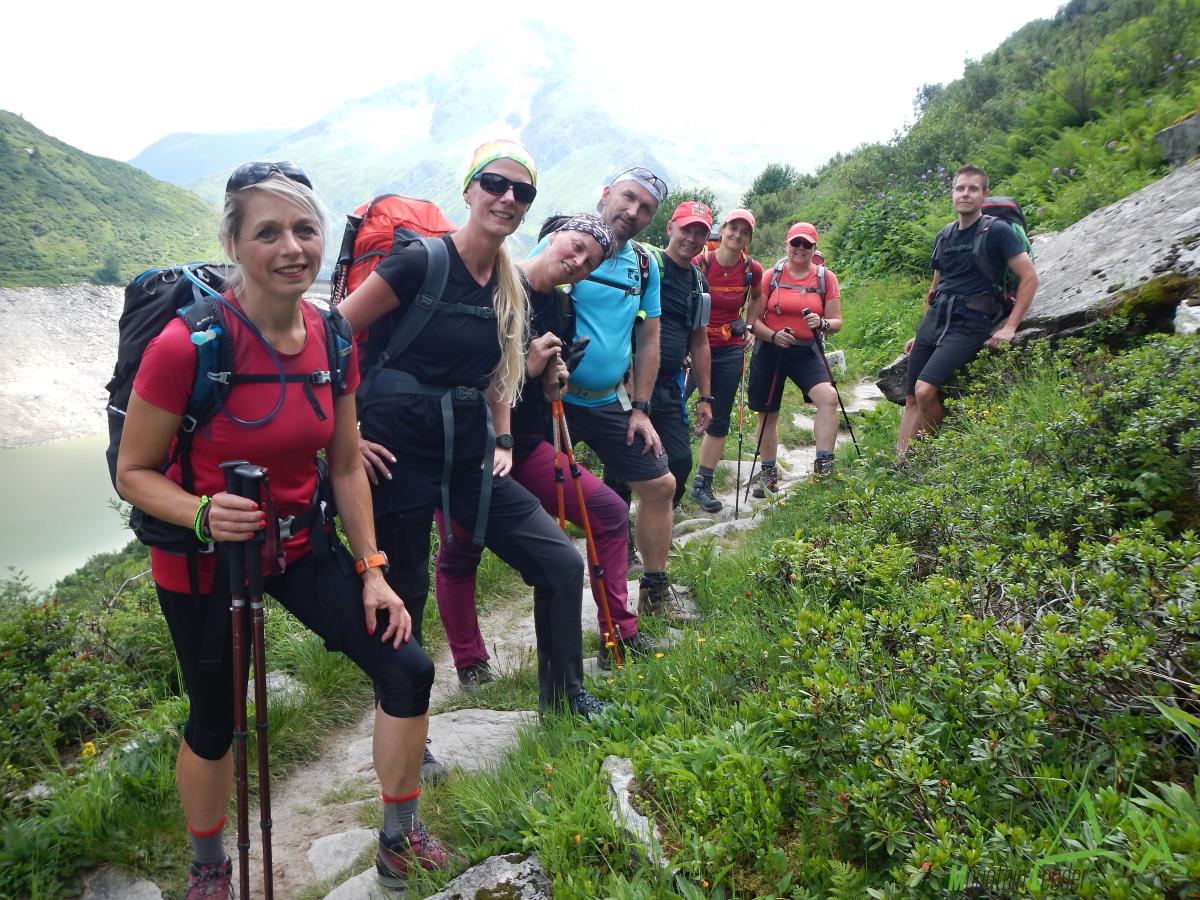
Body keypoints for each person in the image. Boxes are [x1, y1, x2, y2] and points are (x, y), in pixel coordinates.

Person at [115, 161, 460, 897]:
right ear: (234, 243)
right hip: (205, 556)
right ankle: (209, 867)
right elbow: (134, 471)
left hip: (299, 544)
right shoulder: (187, 346)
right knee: (216, 721)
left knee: (407, 668)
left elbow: (345, 465)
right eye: (267, 232)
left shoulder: (332, 339)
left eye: (305, 229)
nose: (291, 247)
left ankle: (400, 839)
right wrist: (202, 511)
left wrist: (372, 569)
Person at [340, 140, 603, 734]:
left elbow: (499, 373)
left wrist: (503, 441)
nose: (507, 197)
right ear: (469, 189)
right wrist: (346, 435)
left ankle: (565, 700)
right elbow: (333, 334)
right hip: (394, 457)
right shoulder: (418, 263)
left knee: (560, 563)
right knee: (404, 594)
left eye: (521, 191)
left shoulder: (507, 282)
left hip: (468, 457)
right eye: (494, 183)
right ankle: (405, 732)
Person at [435, 213, 666, 677]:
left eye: (590, 262)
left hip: (527, 444)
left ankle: (619, 635)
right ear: (554, 236)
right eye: (576, 247)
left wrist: (552, 377)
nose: (578, 262)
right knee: (461, 550)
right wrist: (528, 366)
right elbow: (464, 374)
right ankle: (470, 662)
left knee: (609, 512)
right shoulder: (496, 287)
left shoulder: (560, 306)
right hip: (466, 448)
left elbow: (537, 384)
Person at [539, 167, 697, 623]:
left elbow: (649, 338)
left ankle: (654, 588)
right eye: (627, 197)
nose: (633, 211)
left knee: (661, 485)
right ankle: (548, 599)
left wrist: (641, 409)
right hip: (553, 400)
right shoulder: (563, 241)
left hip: (609, 400)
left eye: (645, 207)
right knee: (541, 496)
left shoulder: (645, 264)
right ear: (606, 193)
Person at [896, 164, 1039, 460]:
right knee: (910, 398)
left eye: (973, 189)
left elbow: (1030, 278)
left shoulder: (997, 231)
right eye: (960, 188)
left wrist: (1010, 326)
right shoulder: (945, 235)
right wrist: (921, 332)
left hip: (970, 322)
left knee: (924, 391)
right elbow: (935, 288)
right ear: (953, 194)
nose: (965, 194)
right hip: (936, 320)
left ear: (984, 194)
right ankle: (901, 463)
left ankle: (920, 457)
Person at [744, 222, 844, 493]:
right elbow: (752, 320)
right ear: (787, 245)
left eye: (806, 244)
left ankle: (824, 466)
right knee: (767, 412)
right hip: (770, 349)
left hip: (806, 350)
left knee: (828, 397)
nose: (800, 248)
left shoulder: (826, 279)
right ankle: (768, 472)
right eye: (795, 243)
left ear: (814, 248)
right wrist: (773, 336)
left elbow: (836, 321)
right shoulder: (770, 276)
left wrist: (822, 323)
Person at [687, 208, 763, 512]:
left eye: (745, 232)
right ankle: (666, 481)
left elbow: (757, 296)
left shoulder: (751, 269)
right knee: (671, 409)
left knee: (719, 417)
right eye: (733, 228)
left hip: (729, 347)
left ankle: (701, 485)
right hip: (693, 348)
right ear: (723, 229)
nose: (737, 235)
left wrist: (750, 326)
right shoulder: (700, 262)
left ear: (749, 238)